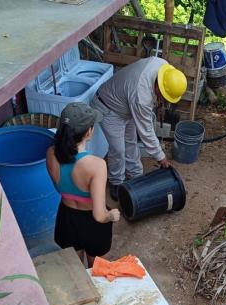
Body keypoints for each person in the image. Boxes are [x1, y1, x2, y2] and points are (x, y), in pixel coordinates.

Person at [90, 56, 187, 200]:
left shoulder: (163, 66)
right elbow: (146, 131)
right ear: (158, 87)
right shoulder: (141, 97)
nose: (164, 101)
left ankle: (135, 174)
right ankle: (116, 182)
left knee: (130, 141)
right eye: (164, 97)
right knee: (118, 149)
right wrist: (161, 158)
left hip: (126, 104)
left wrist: (159, 103)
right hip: (108, 107)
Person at [46, 103, 120, 268]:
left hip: (66, 218)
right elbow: (99, 216)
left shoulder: (50, 153)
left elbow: (59, 186)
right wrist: (112, 215)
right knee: (97, 269)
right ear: (89, 132)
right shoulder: (96, 165)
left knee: (77, 271)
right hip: (92, 225)